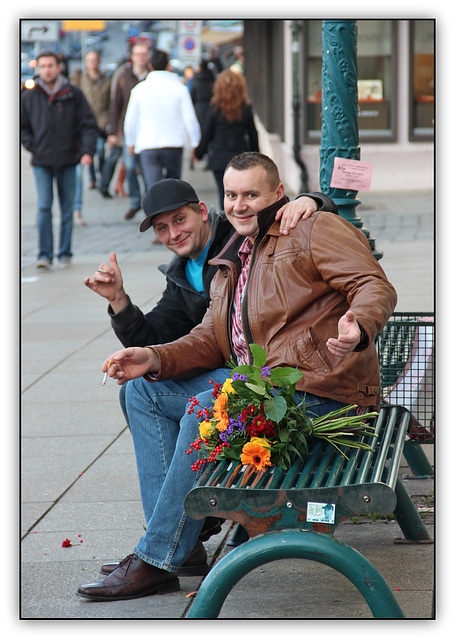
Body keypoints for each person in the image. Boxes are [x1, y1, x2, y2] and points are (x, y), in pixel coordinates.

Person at [77, 153, 396, 601]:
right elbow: (210, 337)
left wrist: (358, 323)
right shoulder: (235, 258)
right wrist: (151, 358)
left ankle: (155, 557)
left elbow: (373, 284)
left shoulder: (308, 227)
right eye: (232, 194)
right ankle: (177, 546)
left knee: (208, 410)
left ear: (278, 195)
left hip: (319, 389)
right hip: (264, 385)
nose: (240, 204)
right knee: (142, 394)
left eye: (251, 194)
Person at [21, 50, 98, 269]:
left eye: (50, 66)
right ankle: (44, 255)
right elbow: (22, 127)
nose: (46, 70)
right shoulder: (29, 95)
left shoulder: (73, 93)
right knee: (44, 206)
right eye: (42, 66)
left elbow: (88, 124)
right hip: (42, 161)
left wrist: (86, 151)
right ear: (39, 69)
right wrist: (33, 146)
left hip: (68, 159)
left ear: (58, 68)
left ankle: (65, 252)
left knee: (67, 210)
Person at [123, 49, 201, 193]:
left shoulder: (139, 90)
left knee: (153, 189)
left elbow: (130, 121)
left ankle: (155, 215)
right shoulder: (180, 88)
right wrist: (195, 143)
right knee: (174, 188)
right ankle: (173, 214)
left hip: (148, 145)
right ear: (168, 66)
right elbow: (189, 118)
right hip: (174, 144)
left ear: (150, 66)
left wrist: (130, 142)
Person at [193, 69, 259, 209]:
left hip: (219, 157)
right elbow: (253, 134)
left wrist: (199, 152)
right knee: (241, 194)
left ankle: (225, 224)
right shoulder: (245, 107)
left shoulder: (215, 108)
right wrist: (257, 157)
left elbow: (207, 133)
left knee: (224, 195)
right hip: (241, 157)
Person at [103, 43, 151, 218]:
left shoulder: (152, 76)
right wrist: (112, 131)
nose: (141, 57)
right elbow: (115, 104)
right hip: (128, 130)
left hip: (147, 131)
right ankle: (135, 201)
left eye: (144, 54)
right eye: (138, 54)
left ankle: (149, 205)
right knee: (130, 167)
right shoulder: (123, 75)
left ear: (148, 57)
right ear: (132, 56)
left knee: (147, 171)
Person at [80, 50, 111, 191]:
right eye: (89, 60)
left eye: (94, 60)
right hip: (86, 122)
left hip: (102, 121)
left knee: (101, 150)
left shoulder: (105, 80)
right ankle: (92, 179)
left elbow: (110, 101)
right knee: (90, 150)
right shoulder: (81, 80)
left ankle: (102, 174)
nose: (92, 63)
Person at [190, 59, 215, 130]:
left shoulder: (196, 78)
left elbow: (192, 94)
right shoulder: (211, 77)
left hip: (199, 107)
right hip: (210, 106)